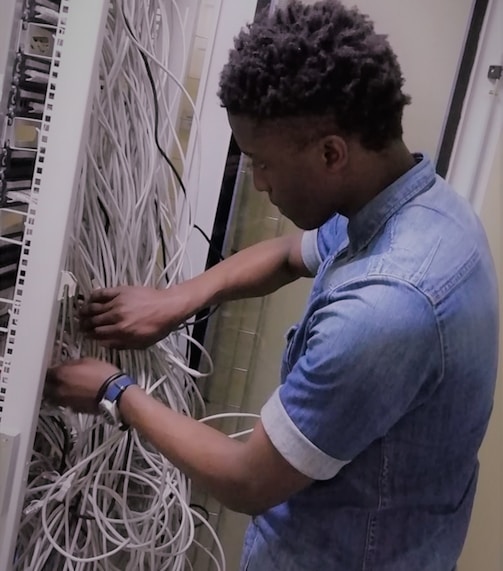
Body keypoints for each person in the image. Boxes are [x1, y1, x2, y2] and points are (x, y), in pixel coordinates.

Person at [45, 1, 499, 569]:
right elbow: (288, 255)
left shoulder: (387, 308)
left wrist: (114, 391)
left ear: (333, 153)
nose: (257, 183)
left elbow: (246, 479)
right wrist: (177, 299)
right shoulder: (421, 208)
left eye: (262, 162)